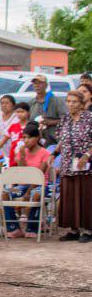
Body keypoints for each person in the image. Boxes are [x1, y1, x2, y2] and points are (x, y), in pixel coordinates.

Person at [55, 88, 92, 242]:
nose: (71, 104)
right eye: (69, 101)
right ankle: (74, 229)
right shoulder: (65, 119)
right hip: (68, 163)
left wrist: (87, 155)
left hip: (86, 163)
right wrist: (53, 154)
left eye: (75, 102)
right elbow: (60, 140)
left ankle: (88, 230)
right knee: (70, 196)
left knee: (86, 196)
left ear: (82, 104)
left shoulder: (89, 118)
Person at [3, 122, 51, 239]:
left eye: (29, 137)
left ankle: (32, 228)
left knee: (35, 194)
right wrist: (23, 156)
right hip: (23, 185)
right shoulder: (22, 152)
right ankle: (14, 228)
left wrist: (29, 192)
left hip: (39, 185)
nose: (26, 140)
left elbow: (39, 175)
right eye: (24, 137)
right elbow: (21, 173)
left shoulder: (45, 153)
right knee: (5, 193)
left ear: (37, 138)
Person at [32, 74, 66, 146]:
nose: (37, 85)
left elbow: (66, 119)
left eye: (40, 83)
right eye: (35, 83)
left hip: (53, 142)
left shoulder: (55, 101)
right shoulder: (32, 103)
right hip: (37, 142)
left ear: (46, 85)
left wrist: (51, 122)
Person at [0, 94, 23, 161]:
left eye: (7, 103)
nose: (4, 105)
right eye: (2, 103)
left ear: (13, 105)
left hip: (10, 152)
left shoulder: (17, 118)